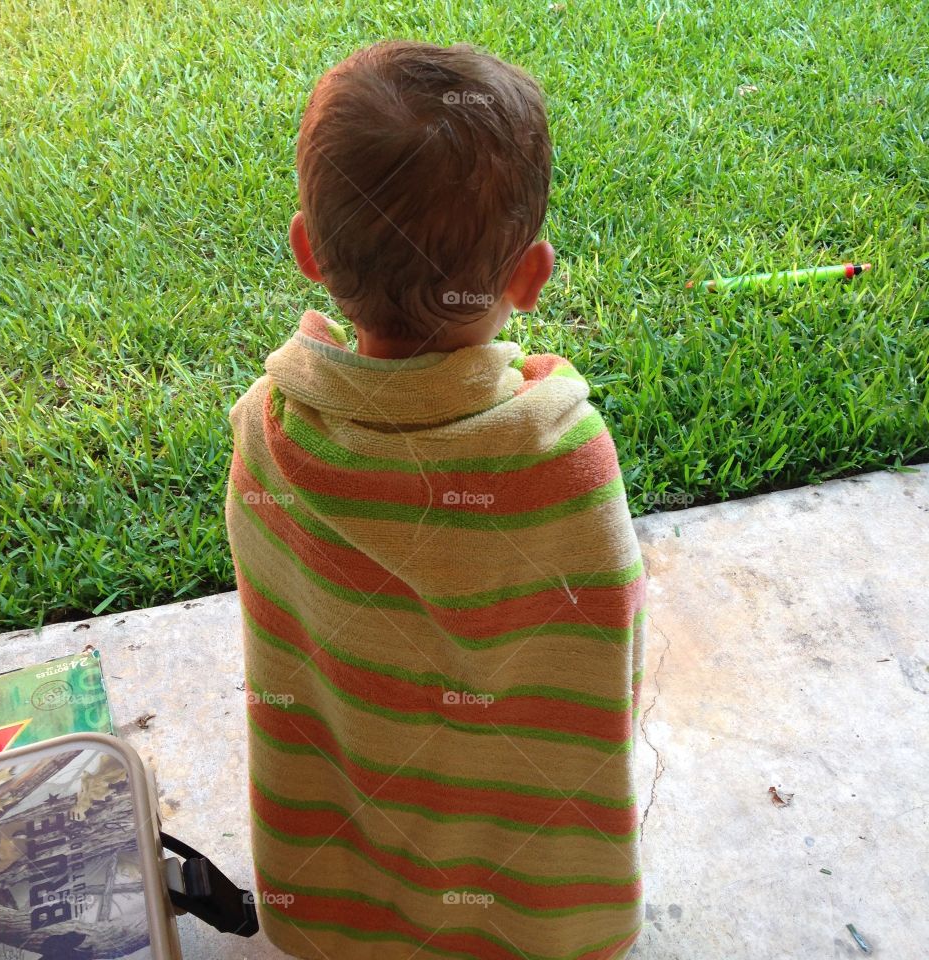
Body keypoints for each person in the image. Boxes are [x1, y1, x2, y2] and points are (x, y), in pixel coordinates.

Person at [225, 39, 648, 960]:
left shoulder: (271, 433)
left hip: (338, 899)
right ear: (530, 276)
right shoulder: (561, 459)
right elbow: (605, 647)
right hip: (530, 908)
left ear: (307, 249)